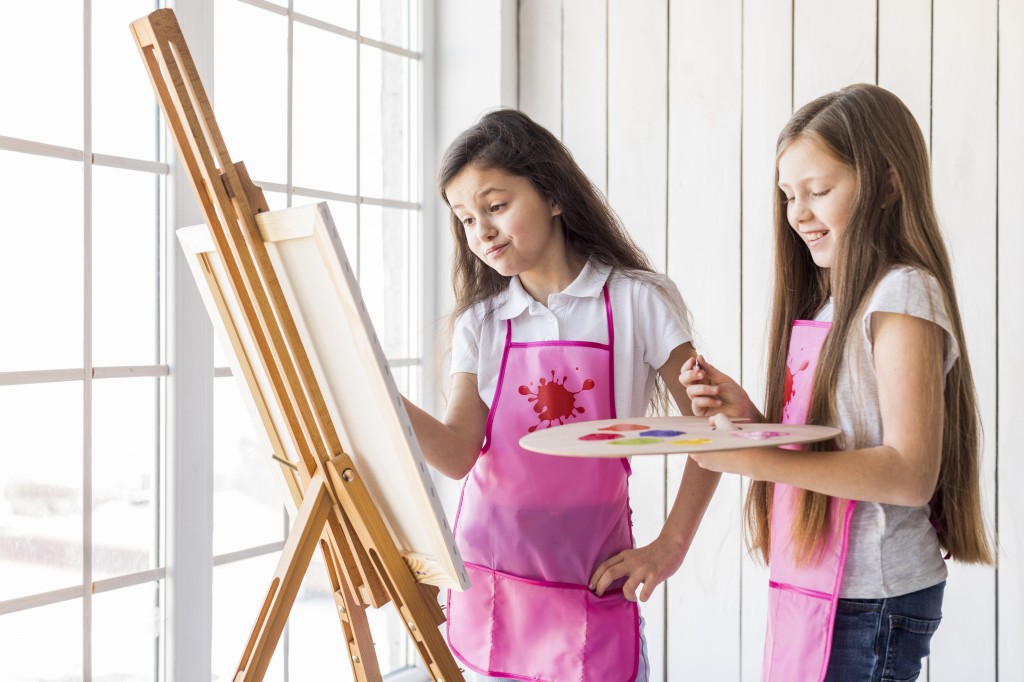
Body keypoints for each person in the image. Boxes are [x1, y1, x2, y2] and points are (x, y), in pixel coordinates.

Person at [680, 83, 993, 682]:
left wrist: (751, 459)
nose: (798, 213)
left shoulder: (902, 292)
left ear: (888, 185)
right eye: (788, 195)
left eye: (818, 191)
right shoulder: (829, 306)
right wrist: (751, 420)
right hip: (817, 581)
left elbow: (908, 473)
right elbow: (837, 436)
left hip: (871, 595)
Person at [402, 108, 720, 682]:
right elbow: (455, 454)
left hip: (588, 581)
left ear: (552, 195)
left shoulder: (637, 301)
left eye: (496, 206)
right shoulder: (482, 321)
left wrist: (670, 544)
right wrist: (378, 398)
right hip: (490, 580)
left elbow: (716, 429)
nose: (483, 232)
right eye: (466, 219)